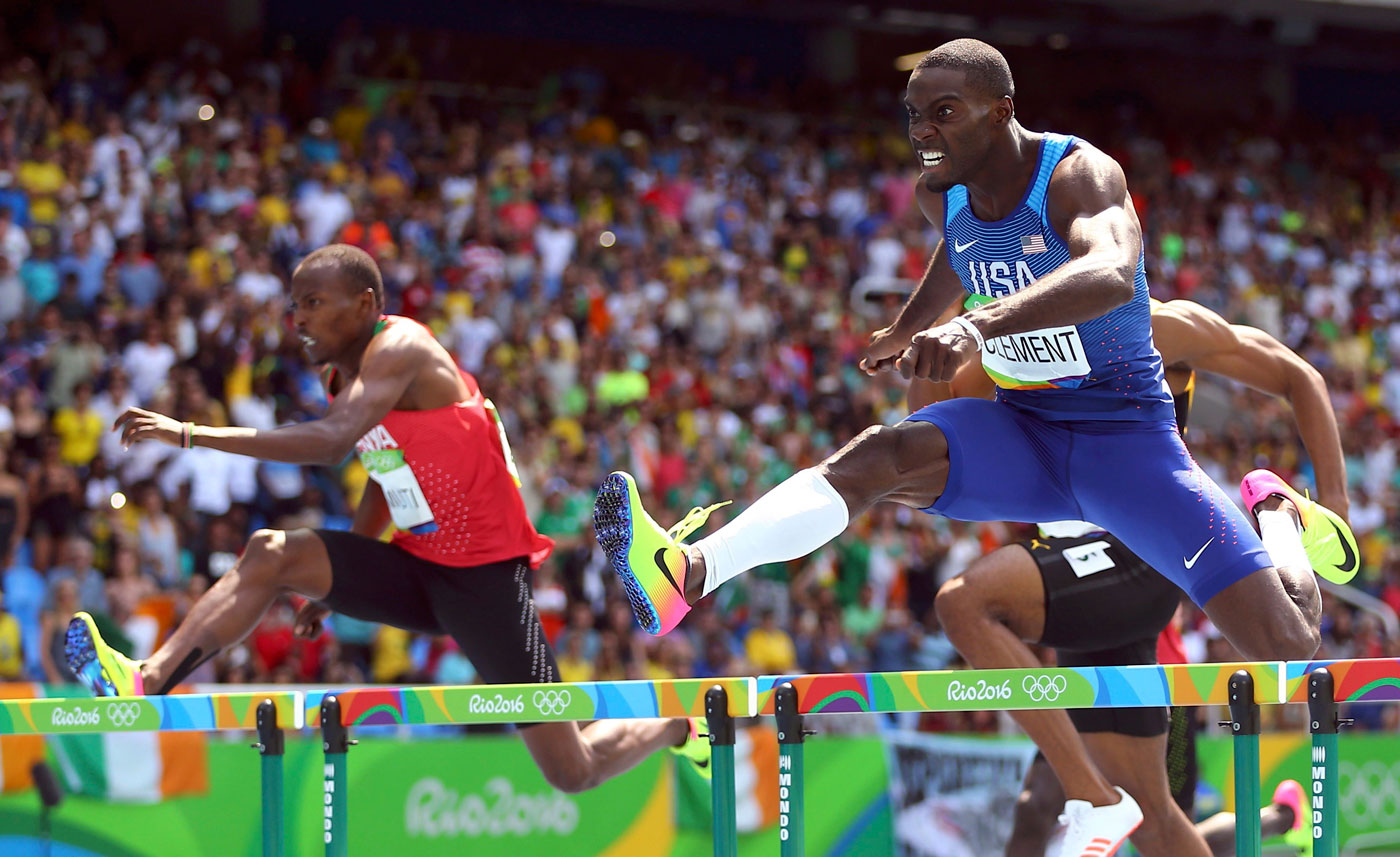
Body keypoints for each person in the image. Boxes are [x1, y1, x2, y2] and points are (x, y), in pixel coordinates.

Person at [593, 40, 1355, 855]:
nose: (924, 130)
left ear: (1002, 109)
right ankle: (691, 571)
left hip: (1122, 444)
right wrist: (912, 322)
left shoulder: (1076, 176)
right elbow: (958, 252)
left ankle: (1272, 509)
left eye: (944, 112)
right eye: (915, 115)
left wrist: (975, 325)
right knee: (882, 457)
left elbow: (1109, 267)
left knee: (1285, 641)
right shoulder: (941, 190)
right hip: (1025, 435)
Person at [65, 243, 707, 794]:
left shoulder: (402, 348)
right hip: (414, 566)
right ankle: (144, 681)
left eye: (313, 302)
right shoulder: (343, 377)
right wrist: (338, 580)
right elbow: (385, 478)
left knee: (572, 771)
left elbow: (330, 442)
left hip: (483, 581)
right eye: (294, 305)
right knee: (272, 553)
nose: (299, 317)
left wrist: (190, 434)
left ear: (366, 303)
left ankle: (679, 725)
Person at [915, 297, 1339, 856]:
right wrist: (941, 324)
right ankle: (1117, 800)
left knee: (966, 603)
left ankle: (1094, 794)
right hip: (1078, 581)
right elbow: (927, 423)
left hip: (1144, 555)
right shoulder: (1005, 344)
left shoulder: (1159, 325)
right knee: (1154, 824)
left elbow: (1296, 374)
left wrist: (1335, 504)